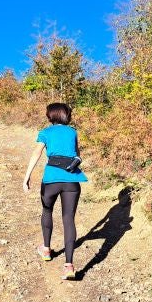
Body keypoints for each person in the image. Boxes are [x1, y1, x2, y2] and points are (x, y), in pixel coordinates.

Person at [22, 102, 88, 280]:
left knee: (47, 211)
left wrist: (27, 177)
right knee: (68, 219)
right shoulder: (72, 132)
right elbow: (77, 155)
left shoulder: (45, 132)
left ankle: (46, 250)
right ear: (66, 115)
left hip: (51, 180)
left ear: (50, 115)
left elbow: (36, 154)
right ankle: (69, 266)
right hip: (72, 181)